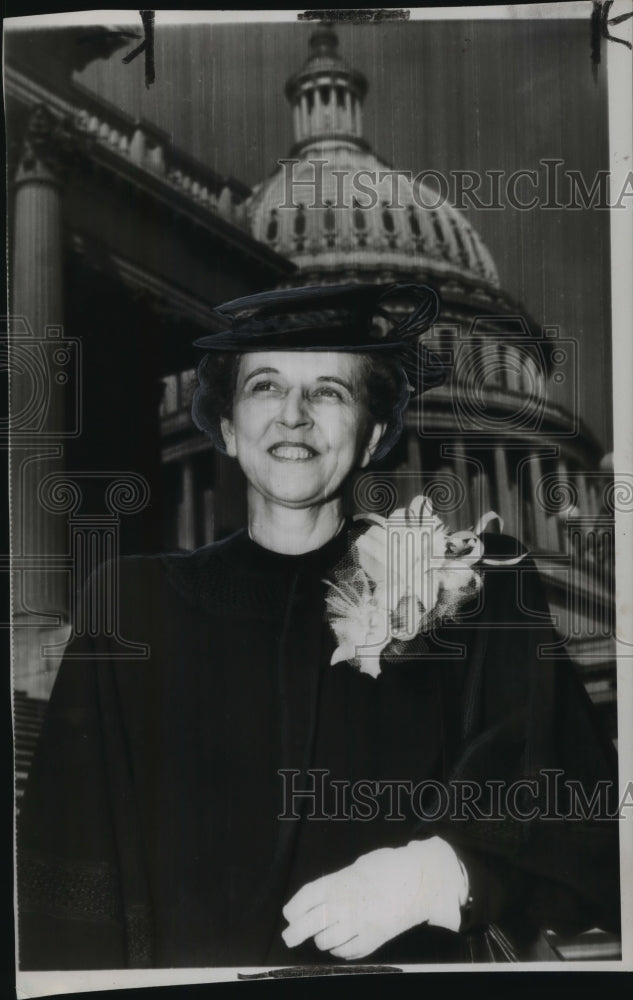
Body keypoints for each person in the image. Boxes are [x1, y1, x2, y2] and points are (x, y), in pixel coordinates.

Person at [17, 283, 620, 970]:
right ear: (226, 426)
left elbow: (584, 812)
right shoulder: (133, 606)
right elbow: (67, 875)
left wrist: (444, 873)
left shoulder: (479, 593)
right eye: (266, 386)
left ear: (372, 436)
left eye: (329, 391)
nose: (294, 416)